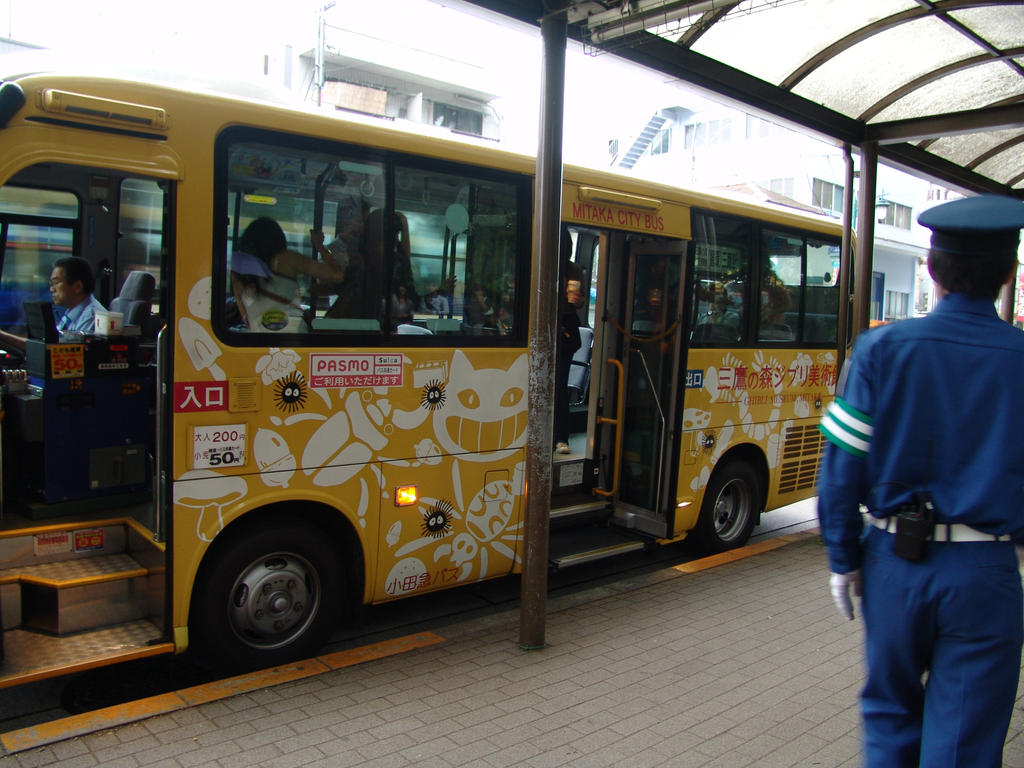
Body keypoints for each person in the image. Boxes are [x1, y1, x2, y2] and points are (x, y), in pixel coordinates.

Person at [817, 194, 1024, 768]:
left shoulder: (880, 349)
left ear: (931, 271)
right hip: (987, 572)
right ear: (1008, 274)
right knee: (964, 742)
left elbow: (840, 464)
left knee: (889, 716)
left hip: (893, 560)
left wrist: (843, 557)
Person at [231, 217, 344, 332]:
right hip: (293, 336)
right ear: (278, 238)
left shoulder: (238, 272)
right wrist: (319, 246)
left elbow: (246, 318)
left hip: (259, 341)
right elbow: (337, 275)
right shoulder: (286, 259)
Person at [0, 256, 105, 352]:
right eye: (51, 284)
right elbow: (50, 345)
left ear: (77, 286)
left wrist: (3, 336)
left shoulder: (93, 318)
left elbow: (55, 352)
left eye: (56, 282)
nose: (51, 289)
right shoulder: (71, 313)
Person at [553, 239, 583, 455]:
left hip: (564, 327)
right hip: (546, 323)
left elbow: (577, 302)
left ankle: (561, 437)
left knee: (559, 386)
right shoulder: (545, 261)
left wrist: (573, 298)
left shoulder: (572, 270)